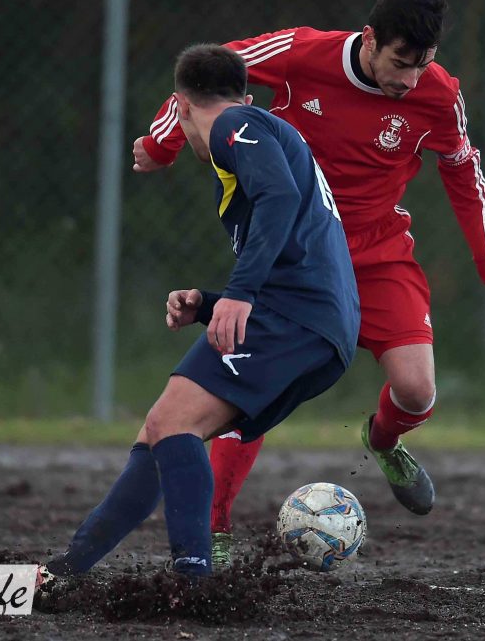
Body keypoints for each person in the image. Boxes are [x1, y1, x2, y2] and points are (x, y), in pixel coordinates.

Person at [132, 0, 485, 569]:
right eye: (401, 63)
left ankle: (383, 440)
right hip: (298, 254)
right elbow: (206, 78)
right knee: (245, 389)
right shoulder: (301, 52)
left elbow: (464, 168)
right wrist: (163, 144)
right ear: (370, 39)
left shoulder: (439, 94)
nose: (411, 79)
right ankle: (217, 529)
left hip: (379, 252)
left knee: (417, 391)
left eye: (423, 65)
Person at [40, 44, 359, 580]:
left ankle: (194, 583)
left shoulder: (235, 124)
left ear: (180, 105)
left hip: (296, 318)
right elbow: (294, 243)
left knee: (173, 422)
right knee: (158, 433)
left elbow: (279, 198)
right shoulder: (255, 130)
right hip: (309, 319)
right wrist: (209, 303)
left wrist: (239, 292)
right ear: (245, 95)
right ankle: (66, 572)